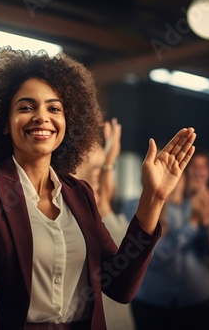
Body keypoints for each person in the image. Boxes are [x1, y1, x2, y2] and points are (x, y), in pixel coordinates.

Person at [0, 48, 196, 330]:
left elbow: (120, 285)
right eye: (26, 107)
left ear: (67, 122)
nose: (42, 117)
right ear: (4, 122)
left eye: (54, 108)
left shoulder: (79, 194)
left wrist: (154, 197)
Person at [127, 150, 209, 330]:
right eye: (195, 167)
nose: (199, 173)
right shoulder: (138, 207)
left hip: (194, 301)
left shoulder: (194, 206)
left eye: (204, 168)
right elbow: (156, 255)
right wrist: (193, 223)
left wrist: (206, 223)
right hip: (153, 302)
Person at [72, 118, 135, 330]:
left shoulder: (101, 212)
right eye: (95, 172)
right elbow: (123, 253)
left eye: (102, 171)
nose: (100, 179)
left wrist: (109, 160)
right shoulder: (82, 214)